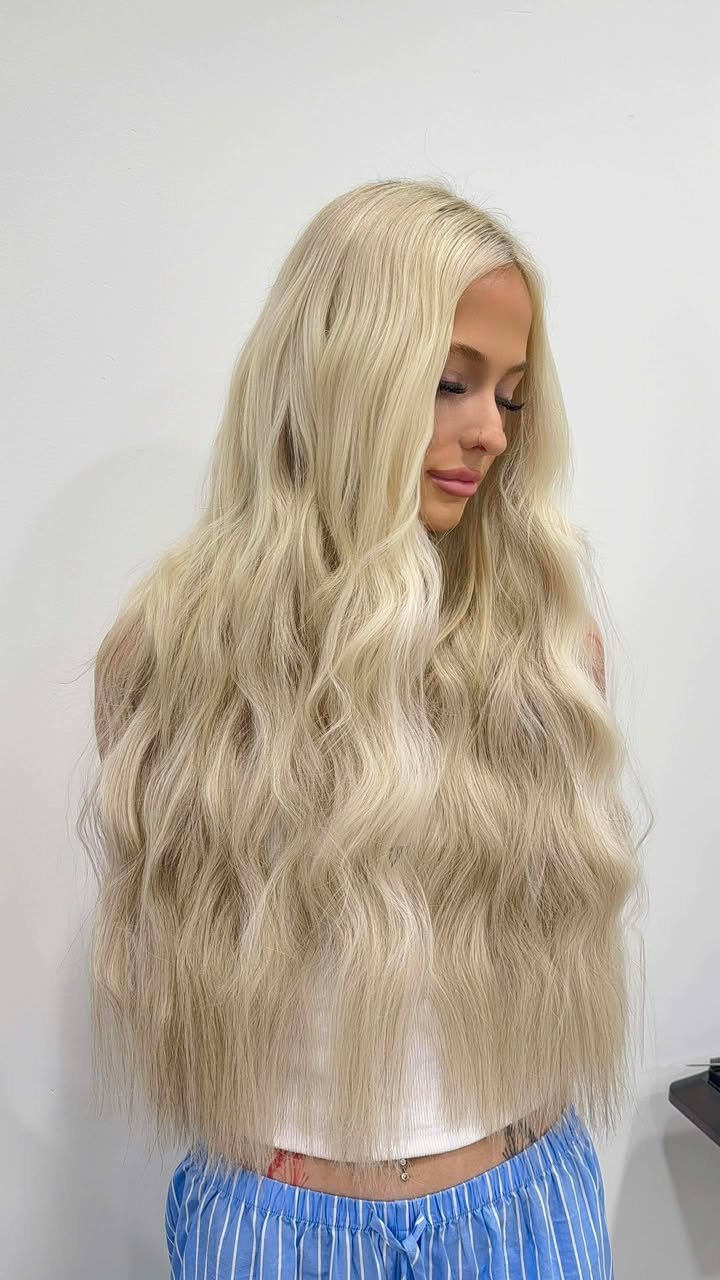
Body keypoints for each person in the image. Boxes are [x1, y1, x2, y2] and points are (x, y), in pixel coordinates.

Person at [79, 177, 647, 1278]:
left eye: (513, 395)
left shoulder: (548, 654)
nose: (488, 432)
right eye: (449, 383)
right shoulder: (174, 659)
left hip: (521, 1212)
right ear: (344, 375)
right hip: (277, 1227)